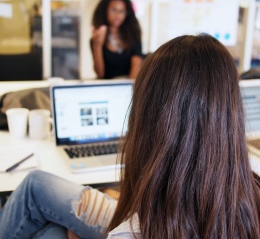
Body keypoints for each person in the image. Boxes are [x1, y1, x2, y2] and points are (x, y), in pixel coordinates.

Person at [1, 33, 260, 238]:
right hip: (159, 216)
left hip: (153, 224)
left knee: (48, 224)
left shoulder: (126, 233)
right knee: (38, 189)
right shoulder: (249, 188)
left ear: (148, 119)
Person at [91, 0, 143, 79]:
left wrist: (129, 88)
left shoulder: (134, 35)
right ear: (105, 11)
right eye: (113, 10)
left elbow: (136, 66)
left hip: (128, 84)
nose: (118, 15)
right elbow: (100, 74)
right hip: (108, 86)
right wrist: (97, 45)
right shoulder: (97, 39)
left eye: (122, 11)